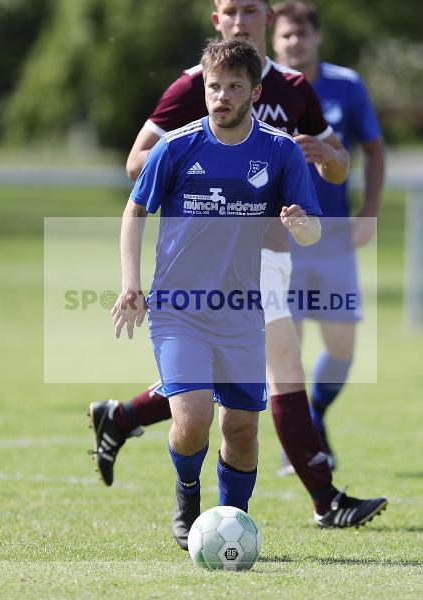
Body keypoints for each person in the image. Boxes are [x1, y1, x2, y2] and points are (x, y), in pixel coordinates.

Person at [90, 0, 387, 530]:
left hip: (266, 263)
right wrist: (203, 172)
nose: (241, 20)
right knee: (255, 384)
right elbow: (137, 168)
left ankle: (126, 418)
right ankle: (323, 498)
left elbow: (339, 168)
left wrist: (314, 154)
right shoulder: (191, 91)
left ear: (267, 19)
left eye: (251, 10)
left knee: (244, 400)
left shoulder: (293, 89)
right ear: (216, 21)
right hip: (200, 274)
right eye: (230, 10)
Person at [114, 39, 322, 548]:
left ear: (254, 90)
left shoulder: (278, 152)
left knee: (243, 432)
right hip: (177, 311)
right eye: (214, 86)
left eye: (233, 86)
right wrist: (131, 284)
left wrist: (300, 225)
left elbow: (314, 229)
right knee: (192, 419)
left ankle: (232, 521)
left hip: (240, 313)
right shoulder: (177, 146)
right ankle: (187, 502)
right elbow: (135, 211)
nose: (222, 96)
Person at [271, 0, 385, 471]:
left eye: (302, 34)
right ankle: (297, 444)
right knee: (288, 350)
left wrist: (370, 211)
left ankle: (313, 417)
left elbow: (375, 150)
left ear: (316, 37)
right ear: (274, 41)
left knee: (342, 347)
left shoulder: (346, 85)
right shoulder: (260, 89)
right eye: (286, 36)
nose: (295, 42)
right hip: (280, 240)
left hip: (333, 236)